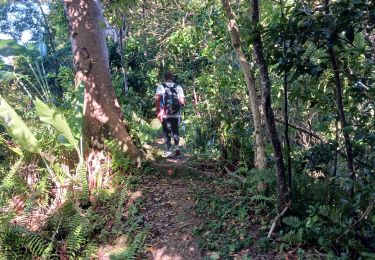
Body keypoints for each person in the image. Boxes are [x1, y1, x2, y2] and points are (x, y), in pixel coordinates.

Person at [155, 71, 185, 157]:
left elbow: (157, 99)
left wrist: (157, 110)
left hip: (165, 114)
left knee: (166, 131)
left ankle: (168, 150)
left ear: (164, 78)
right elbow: (182, 101)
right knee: (175, 130)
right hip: (176, 114)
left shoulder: (161, 87)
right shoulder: (178, 86)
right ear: (172, 77)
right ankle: (177, 148)